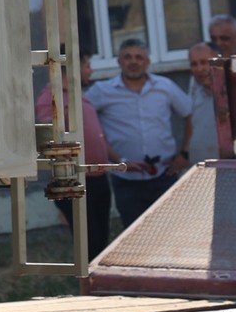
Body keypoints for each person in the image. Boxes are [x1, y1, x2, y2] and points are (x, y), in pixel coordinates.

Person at [87, 38, 192, 228]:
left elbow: (189, 113)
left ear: (147, 62)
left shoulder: (165, 86)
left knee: (169, 231)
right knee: (134, 234)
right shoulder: (102, 91)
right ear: (119, 62)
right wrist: (116, 158)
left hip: (164, 175)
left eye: (139, 57)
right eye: (127, 57)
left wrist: (185, 153)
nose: (133, 62)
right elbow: (84, 122)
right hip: (125, 179)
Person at [35, 54, 114, 252]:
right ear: (73, 69)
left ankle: (98, 282)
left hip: (97, 178)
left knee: (100, 245)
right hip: (77, 181)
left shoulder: (77, 94)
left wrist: (120, 160)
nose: (91, 70)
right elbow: (48, 138)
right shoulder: (52, 98)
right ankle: (88, 283)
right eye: (87, 65)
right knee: (90, 247)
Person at [182, 42, 221, 166]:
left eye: (204, 62)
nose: (199, 69)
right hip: (200, 172)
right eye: (194, 64)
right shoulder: (194, 91)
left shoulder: (232, 94)